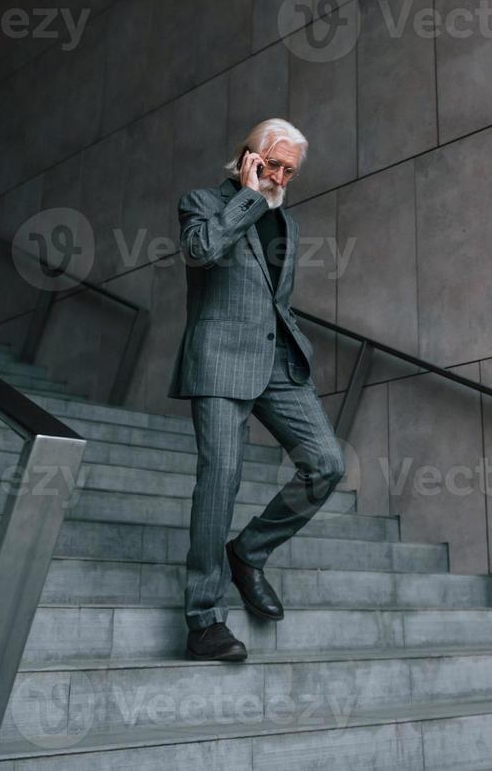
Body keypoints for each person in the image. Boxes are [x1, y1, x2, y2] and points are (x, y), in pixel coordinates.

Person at [168, 118, 345, 662]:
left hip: (276, 363)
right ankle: (204, 620)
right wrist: (247, 197)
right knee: (221, 478)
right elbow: (200, 253)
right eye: (275, 165)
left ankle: (248, 552)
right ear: (249, 155)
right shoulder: (202, 202)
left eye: (291, 170)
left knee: (326, 463)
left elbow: (274, 296)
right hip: (221, 361)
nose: (282, 177)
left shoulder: (285, 221)